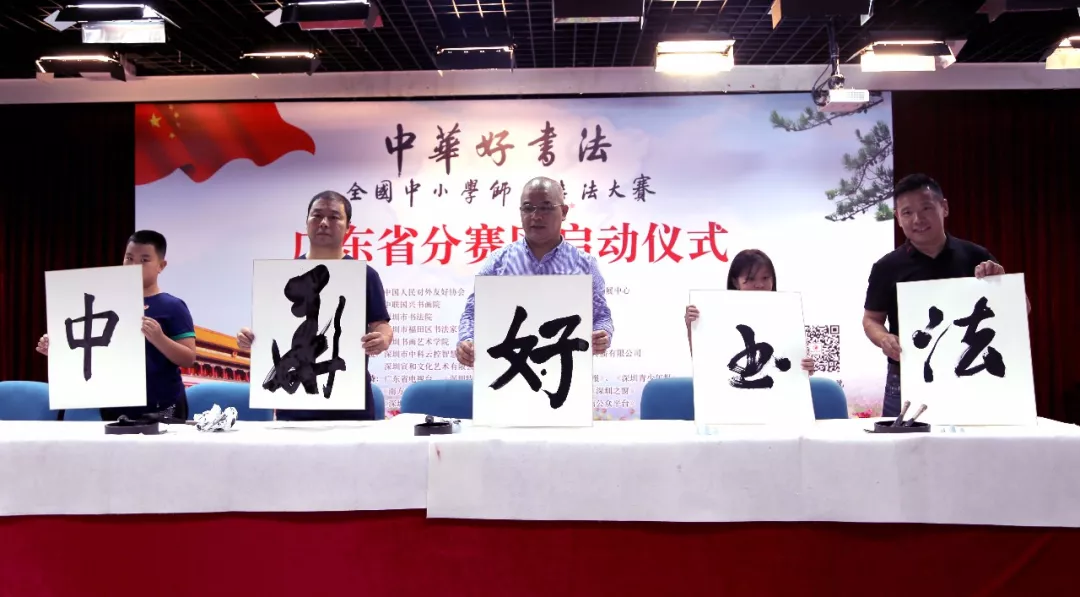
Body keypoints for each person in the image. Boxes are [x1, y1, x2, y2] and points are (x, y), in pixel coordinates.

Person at [863, 173, 1027, 417]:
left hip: (974, 377)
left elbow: (1022, 311)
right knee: (902, 442)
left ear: (944, 207)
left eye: (926, 208)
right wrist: (884, 338)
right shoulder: (886, 267)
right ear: (898, 218)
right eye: (907, 212)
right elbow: (871, 319)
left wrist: (1002, 286)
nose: (917, 219)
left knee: (979, 440)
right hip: (907, 376)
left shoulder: (976, 256)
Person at [236, 191, 393, 421]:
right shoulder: (282, 276)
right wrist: (250, 337)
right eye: (317, 215)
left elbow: (381, 324)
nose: (324, 223)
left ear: (348, 227)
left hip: (351, 403)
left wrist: (384, 337)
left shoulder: (365, 275)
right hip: (295, 407)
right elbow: (272, 329)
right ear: (307, 222)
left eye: (334, 217)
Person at [36, 230, 197, 421]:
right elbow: (94, 349)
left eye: (144, 260)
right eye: (129, 258)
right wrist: (58, 350)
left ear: (161, 265)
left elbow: (189, 358)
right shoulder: (106, 304)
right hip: (116, 403)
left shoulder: (173, 306)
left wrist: (159, 338)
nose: (134, 265)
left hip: (162, 404)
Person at [455, 176, 614, 366]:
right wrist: (466, 341)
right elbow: (472, 312)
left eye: (546, 208)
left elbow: (602, 316)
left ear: (563, 212)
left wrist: (603, 335)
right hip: (506, 373)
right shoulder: (498, 263)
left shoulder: (585, 265)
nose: (536, 216)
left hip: (564, 373)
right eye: (528, 208)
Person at [683, 249, 815, 373]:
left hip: (776, 388)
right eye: (751, 279)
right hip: (731, 388)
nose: (759, 285)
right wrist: (693, 326)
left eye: (765, 278)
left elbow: (790, 366)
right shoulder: (718, 314)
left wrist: (804, 369)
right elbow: (706, 361)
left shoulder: (787, 314)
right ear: (736, 282)